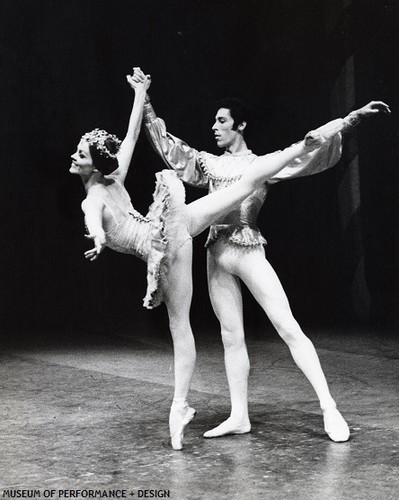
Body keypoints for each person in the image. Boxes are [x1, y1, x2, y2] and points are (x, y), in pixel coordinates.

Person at [70, 69, 334, 450]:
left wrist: (141, 95)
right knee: (198, 331)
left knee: (217, 324)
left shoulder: (103, 186)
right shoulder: (108, 184)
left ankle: (322, 406)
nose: (73, 157)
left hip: (181, 233)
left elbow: (123, 152)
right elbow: (128, 154)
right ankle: (199, 412)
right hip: (183, 239)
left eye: (79, 154)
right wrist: (142, 95)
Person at [134, 67, 390, 443]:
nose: (214, 127)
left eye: (222, 121)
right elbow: (170, 146)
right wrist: (146, 101)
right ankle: (239, 416)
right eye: (214, 122)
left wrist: (349, 121)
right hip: (215, 253)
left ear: (240, 125)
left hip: (248, 249)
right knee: (230, 335)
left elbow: (307, 148)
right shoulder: (207, 163)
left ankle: (329, 407)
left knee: (287, 327)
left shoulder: (260, 165)